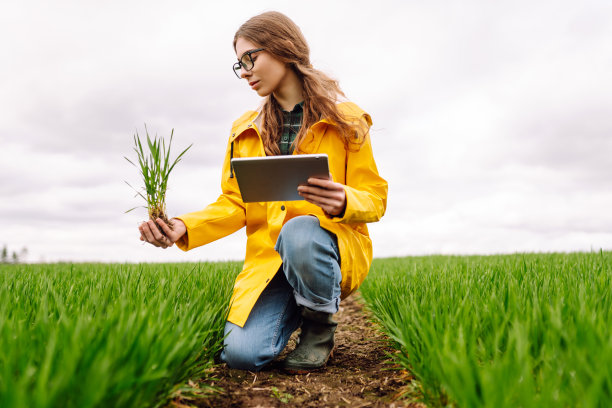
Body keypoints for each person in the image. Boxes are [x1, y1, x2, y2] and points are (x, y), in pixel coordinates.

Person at [138, 11, 388, 373]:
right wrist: (183, 226)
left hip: (324, 250)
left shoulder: (345, 119)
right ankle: (293, 307)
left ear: (283, 48)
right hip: (269, 261)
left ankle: (318, 326)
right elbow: (235, 203)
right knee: (242, 355)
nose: (245, 72)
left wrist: (345, 199)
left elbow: (376, 198)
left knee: (299, 232)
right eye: (239, 65)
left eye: (250, 58)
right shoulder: (245, 129)